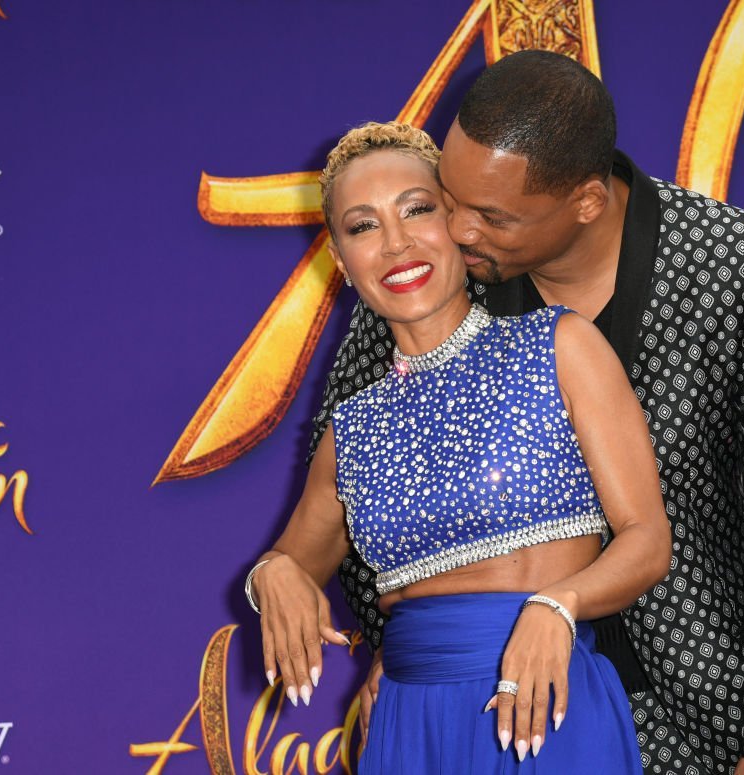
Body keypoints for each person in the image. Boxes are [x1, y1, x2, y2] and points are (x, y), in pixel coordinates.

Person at [306, 51, 744, 775]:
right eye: (449, 197)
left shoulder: (734, 266)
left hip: (702, 714)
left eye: (492, 216)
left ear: (587, 202)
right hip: (490, 713)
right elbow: (357, 473)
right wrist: (406, 636)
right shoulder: (429, 277)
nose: (456, 231)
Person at [244, 121, 672, 773]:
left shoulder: (559, 346)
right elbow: (292, 563)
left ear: (459, 224)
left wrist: (560, 603)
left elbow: (647, 539)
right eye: (363, 226)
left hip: (542, 703)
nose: (396, 244)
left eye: (418, 210)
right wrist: (270, 573)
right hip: (408, 724)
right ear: (341, 258)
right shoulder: (352, 429)